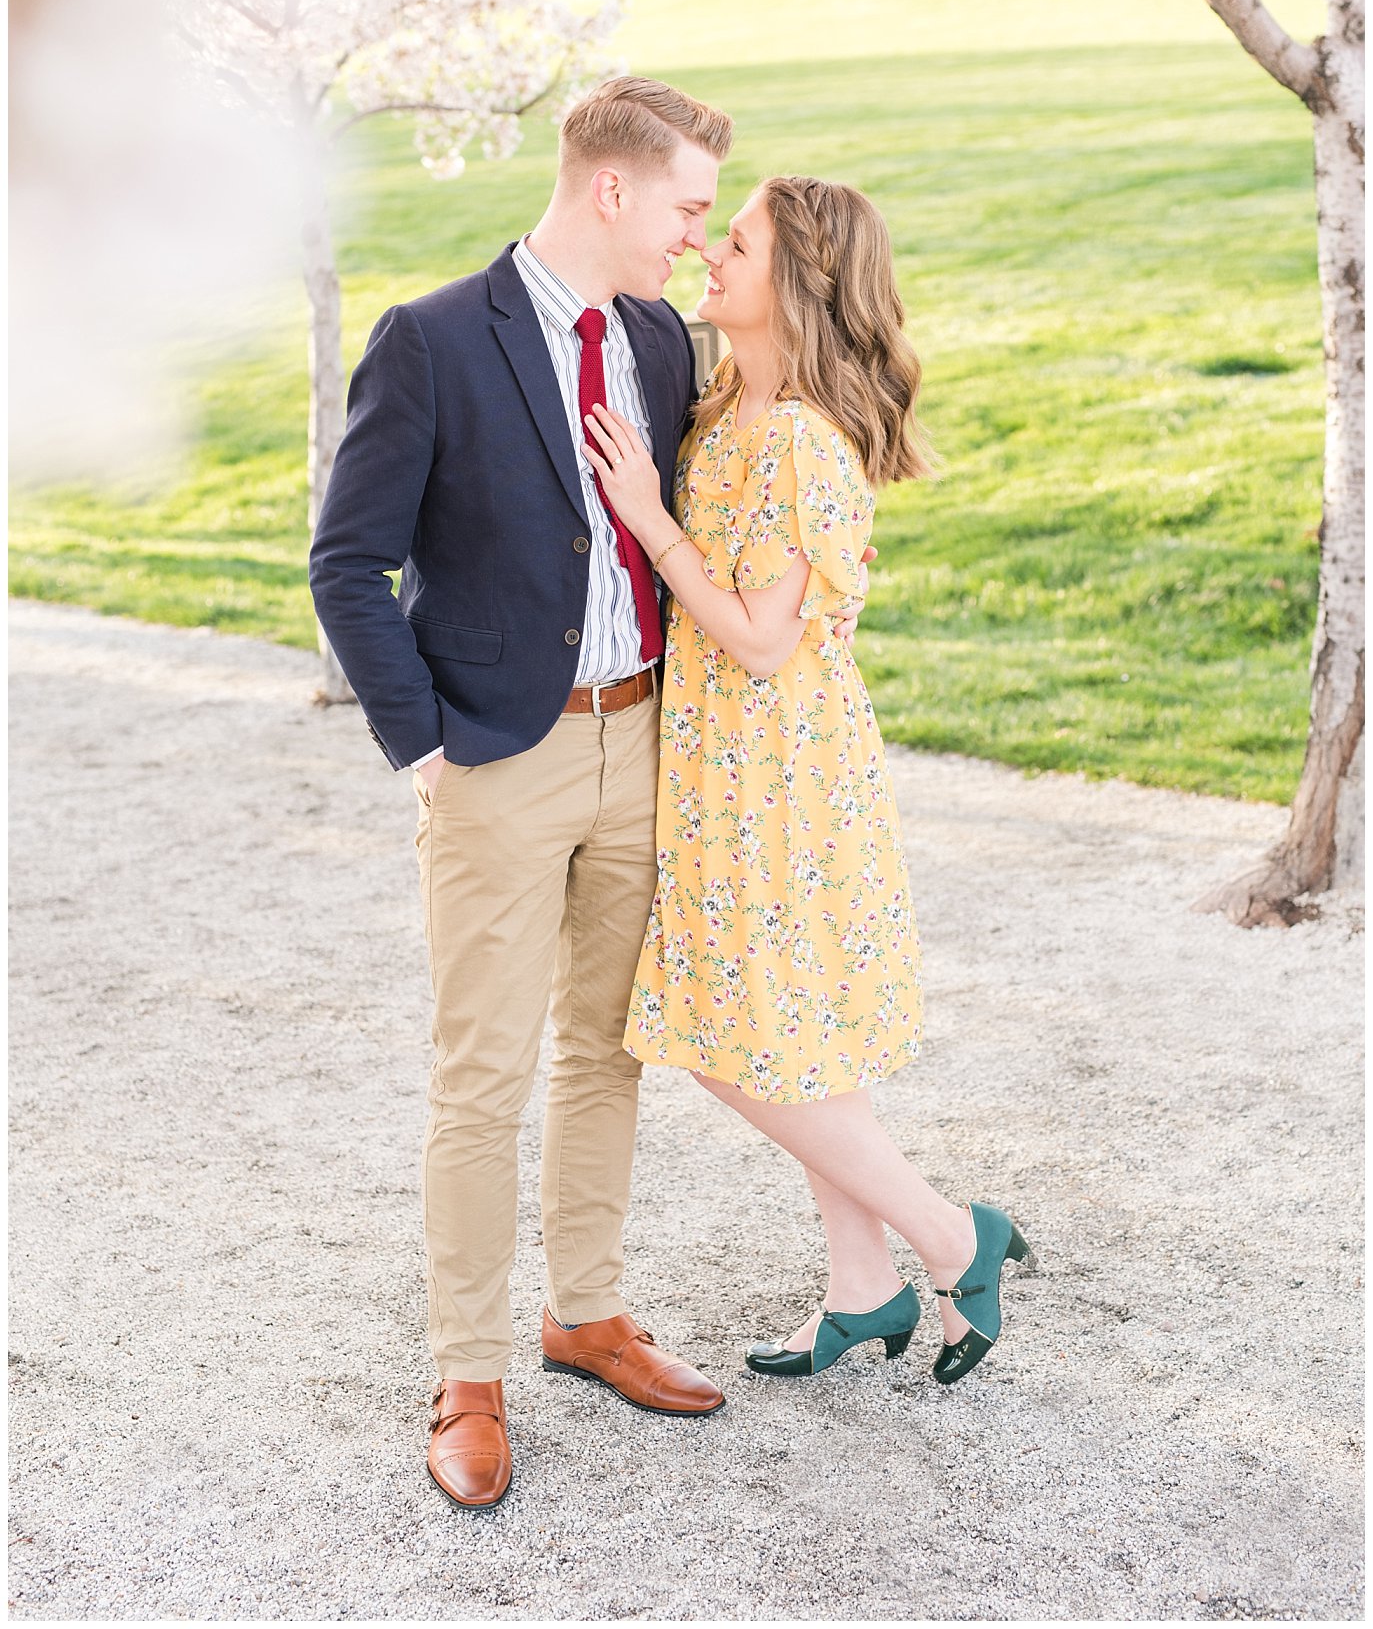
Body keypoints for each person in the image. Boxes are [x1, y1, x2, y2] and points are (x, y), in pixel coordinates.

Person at [309, 78, 741, 1510]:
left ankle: (587, 1313)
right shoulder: (431, 341)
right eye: (687, 206)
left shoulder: (665, 339)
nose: (698, 233)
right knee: (480, 1076)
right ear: (611, 191)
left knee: (609, 1049)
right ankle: (467, 1373)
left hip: (644, 742)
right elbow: (345, 562)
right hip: (497, 759)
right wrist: (425, 746)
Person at [583, 174, 1034, 1389]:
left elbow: (762, 638)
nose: (705, 255)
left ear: (794, 284)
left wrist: (643, 513)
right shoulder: (728, 396)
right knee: (792, 1033)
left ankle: (950, 1236)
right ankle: (863, 1283)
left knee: (732, 1037)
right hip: (725, 758)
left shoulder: (795, 440)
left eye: (733, 244)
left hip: (775, 768)